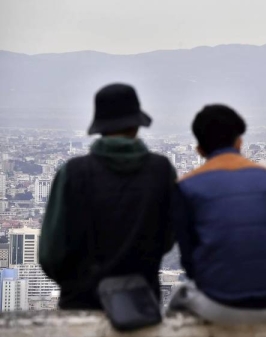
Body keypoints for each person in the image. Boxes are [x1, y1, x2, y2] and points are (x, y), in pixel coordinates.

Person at [39, 83, 177, 309]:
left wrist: (77, 281)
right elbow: (168, 239)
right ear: (136, 126)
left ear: (99, 127)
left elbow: (51, 254)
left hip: (81, 302)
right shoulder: (161, 171)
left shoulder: (73, 173)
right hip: (140, 302)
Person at [170, 104, 266, 324]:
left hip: (220, 305)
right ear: (239, 142)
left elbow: (188, 259)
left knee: (176, 301)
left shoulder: (187, 186)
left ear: (199, 150)